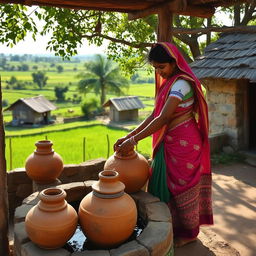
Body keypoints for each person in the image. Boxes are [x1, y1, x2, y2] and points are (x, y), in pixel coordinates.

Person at [113, 42, 213, 247]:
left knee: (181, 187)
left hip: (184, 144)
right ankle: (169, 227)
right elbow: (154, 115)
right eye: (155, 68)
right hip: (168, 142)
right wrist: (129, 135)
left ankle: (189, 234)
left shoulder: (181, 84)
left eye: (162, 67)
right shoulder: (169, 83)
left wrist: (134, 140)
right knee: (164, 184)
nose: (159, 72)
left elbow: (165, 117)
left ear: (173, 62)